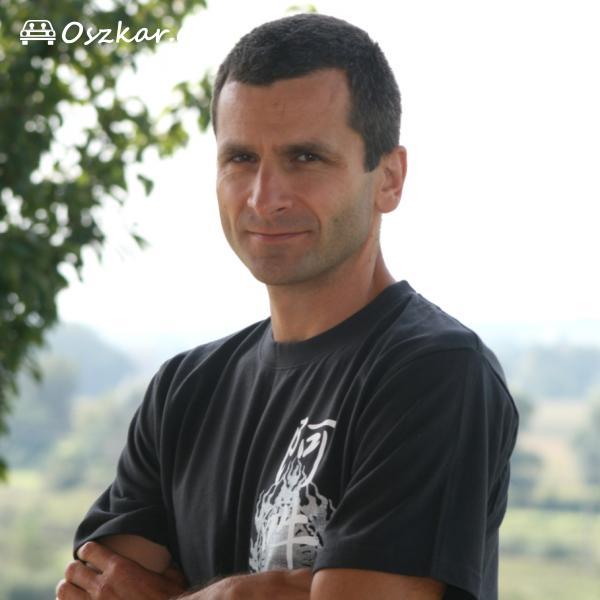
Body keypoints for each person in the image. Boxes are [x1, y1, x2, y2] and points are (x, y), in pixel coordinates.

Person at [56, 12, 518, 600]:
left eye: (305, 157)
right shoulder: (184, 390)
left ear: (389, 178)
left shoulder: (435, 372)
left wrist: (212, 594)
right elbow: (94, 586)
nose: (263, 197)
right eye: (241, 158)